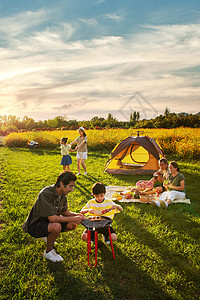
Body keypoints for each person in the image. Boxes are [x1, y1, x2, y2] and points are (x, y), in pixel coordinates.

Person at [22, 171, 85, 262]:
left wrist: (77, 215)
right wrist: (73, 218)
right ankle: (48, 252)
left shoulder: (62, 194)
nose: (72, 189)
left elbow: (64, 212)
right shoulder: (46, 193)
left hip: (48, 222)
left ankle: (47, 235)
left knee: (72, 225)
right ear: (62, 184)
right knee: (56, 226)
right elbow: (52, 218)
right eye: (71, 186)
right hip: (35, 225)